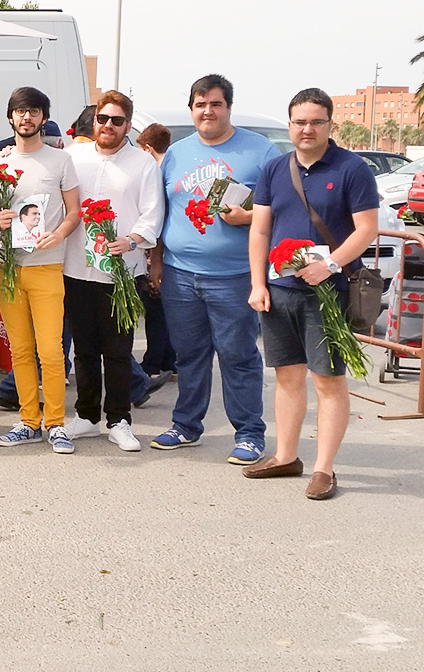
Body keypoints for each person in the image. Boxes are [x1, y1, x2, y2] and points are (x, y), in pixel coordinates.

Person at [244, 88, 378, 500]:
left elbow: (366, 229)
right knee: (287, 377)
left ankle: (324, 468)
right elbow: (260, 228)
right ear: (289, 124)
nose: (307, 129)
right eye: (299, 121)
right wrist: (257, 283)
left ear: (329, 125)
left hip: (329, 293)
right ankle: (286, 456)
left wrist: (331, 264)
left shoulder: (353, 169)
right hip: (278, 291)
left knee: (328, 381)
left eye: (316, 122)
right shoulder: (274, 169)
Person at [150, 74, 281, 464]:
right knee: (189, 355)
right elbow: (163, 211)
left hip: (235, 274)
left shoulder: (261, 152)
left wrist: (249, 216)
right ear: (191, 109)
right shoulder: (176, 153)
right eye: (200, 104)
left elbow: (282, 207)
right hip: (179, 273)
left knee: (238, 355)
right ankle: (186, 425)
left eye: (216, 103)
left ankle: (249, 433)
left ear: (228, 107)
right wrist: (157, 260)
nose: (208, 111)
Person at [62, 91, 165, 452]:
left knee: (118, 351)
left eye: (117, 120)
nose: (108, 126)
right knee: (84, 350)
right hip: (76, 267)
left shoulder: (143, 164)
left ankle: (119, 420)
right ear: (94, 121)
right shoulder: (73, 157)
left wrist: (133, 240)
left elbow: (153, 214)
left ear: (128, 125)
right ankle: (87, 417)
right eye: (103, 118)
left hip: (122, 272)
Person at [0, 87, 81, 455]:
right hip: (8, 267)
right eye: (20, 111)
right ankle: (28, 422)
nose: (27, 118)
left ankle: (55, 423)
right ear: (11, 117)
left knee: (51, 351)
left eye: (34, 112)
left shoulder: (60, 160)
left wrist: (56, 234)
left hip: (46, 266)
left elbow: (74, 211)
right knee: (21, 351)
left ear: (43, 117)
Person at [134, 122, 177, 379]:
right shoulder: (172, 173)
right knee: (164, 312)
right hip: (170, 251)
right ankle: (170, 361)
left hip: (154, 250)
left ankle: (153, 363)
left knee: (155, 313)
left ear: (148, 149)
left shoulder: (156, 175)